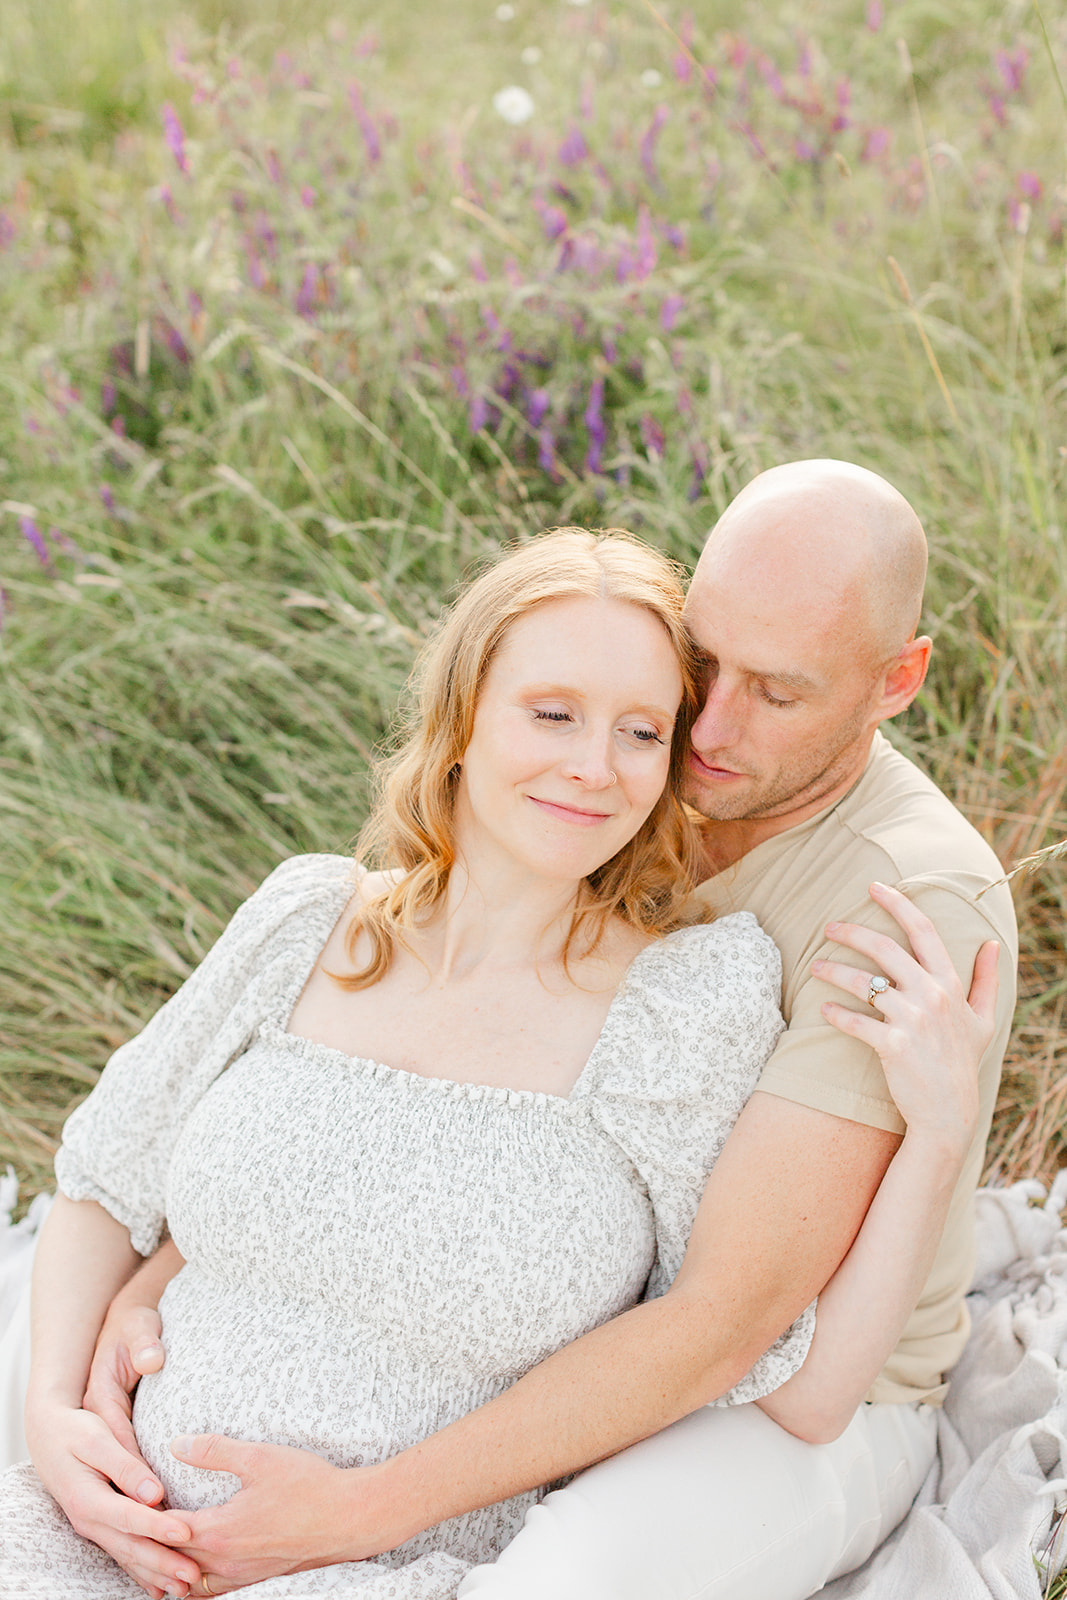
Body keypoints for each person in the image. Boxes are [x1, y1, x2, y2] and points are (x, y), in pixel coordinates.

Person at [1, 470, 1010, 1599]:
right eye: (695, 677)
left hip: (466, 1520)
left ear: (893, 681)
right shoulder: (322, 909)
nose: (680, 743)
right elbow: (126, 1164)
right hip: (109, 1513)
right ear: (465, 710)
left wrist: (936, 1139)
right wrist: (112, 1342)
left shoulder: (827, 934)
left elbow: (736, 1335)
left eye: (645, 726)